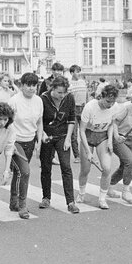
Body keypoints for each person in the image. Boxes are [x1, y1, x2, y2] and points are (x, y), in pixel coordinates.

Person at [7, 72, 44, 219]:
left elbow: (39, 122)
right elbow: (7, 124)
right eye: (28, 85)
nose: (31, 88)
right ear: (21, 85)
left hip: (30, 140)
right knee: (25, 171)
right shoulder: (14, 101)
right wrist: (10, 144)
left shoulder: (38, 101)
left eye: (34, 85)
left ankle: (13, 201)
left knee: (19, 172)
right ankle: (22, 205)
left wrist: (39, 141)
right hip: (16, 141)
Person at [39, 76, 78, 213]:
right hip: (47, 136)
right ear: (52, 89)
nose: (62, 96)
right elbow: (39, 120)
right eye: (59, 92)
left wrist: (68, 139)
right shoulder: (43, 98)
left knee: (66, 167)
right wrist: (42, 135)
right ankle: (46, 197)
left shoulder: (69, 98)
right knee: (46, 167)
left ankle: (71, 202)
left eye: (64, 93)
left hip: (62, 136)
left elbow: (71, 119)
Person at [77, 84, 118, 209]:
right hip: (88, 136)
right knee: (85, 169)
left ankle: (102, 199)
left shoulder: (114, 107)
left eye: (113, 101)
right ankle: (81, 193)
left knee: (106, 168)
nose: (110, 104)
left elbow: (111, 124)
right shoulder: (90, 107)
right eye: (107, 101)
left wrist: (110, 141)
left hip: (103, 137)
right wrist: (88, 152)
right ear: (102, 97)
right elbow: (82, 130)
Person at [68, 65, 88, 163]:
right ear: (72, 73)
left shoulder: (83, 82)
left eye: (79, 71)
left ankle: (86, 153)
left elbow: (87, 95)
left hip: (84, 109)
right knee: (74, 135)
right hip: (73, 109)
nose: (79, 73)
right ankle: (77, 156)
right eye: (77, 71)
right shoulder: (69, 84)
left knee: (85, 133)